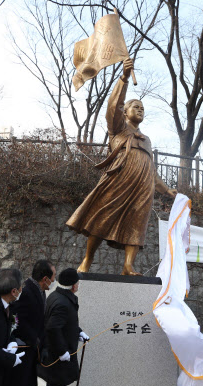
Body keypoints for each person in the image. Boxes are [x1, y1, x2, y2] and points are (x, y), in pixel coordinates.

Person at [66, 58, 177, 275]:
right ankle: (87, 261)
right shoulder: (118, 128)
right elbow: (112, 106)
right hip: (119, 180)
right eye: (136, 107)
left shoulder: (146, 139)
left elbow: (152, 170)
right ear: (125, 112)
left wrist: (165, 190)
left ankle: (128, 265)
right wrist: (124, 79)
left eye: (143, 108)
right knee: (101, 217)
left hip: (143, 187)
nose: (140, 110)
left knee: (138, 224)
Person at [0, 260, 56, 386]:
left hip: (31, 353)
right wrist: (35, 340)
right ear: (45, 278)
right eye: (53, 277)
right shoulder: (27, 291)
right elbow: (18, 319)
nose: (53, 281)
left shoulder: (38, 291)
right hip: (22, 353)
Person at [36, 268, 89, 386]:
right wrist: (62, 352)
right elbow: (53, 327)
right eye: (78, 282)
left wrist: (79, 332)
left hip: (61, 353)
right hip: (58, 356)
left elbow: (68, 323)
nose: (78, 284)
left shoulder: (59, 297)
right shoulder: (61, 302)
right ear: (73, 285)